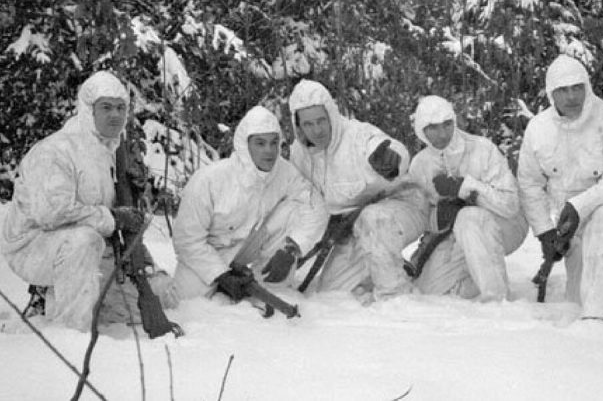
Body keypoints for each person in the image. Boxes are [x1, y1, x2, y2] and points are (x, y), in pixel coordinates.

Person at [0, 71, 172, 332]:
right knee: (84, 241)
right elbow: (51, 214)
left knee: (164, 292)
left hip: (86, 248)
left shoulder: (110, 152)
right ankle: (70, 333)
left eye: (120, 107)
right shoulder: (56, 150)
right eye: (106, 107)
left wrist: (136, 197)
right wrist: (113, 218)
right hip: (32, 246)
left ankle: (55, 299)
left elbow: (116, 214)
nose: (115, 115)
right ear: (87, 110)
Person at [517, 54, 603, 320]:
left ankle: (598, 318)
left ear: (587, 86)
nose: (571, 97)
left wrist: (579, 206)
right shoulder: (538, 129)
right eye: (562, 90)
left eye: (577, 87)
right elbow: (529, 184)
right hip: (568, 221)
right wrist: (545, 231)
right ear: (551, 94)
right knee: (577, 295)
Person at [287, 79, 426, 302]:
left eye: (321, 120)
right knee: (332, 292)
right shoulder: (299, 156)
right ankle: (390, 267)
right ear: (298, 125)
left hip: (404, 206)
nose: (317, 130)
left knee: (373, 219)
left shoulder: (357, 136)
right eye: (308, 124)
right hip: (352, 226)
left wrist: (390, 159)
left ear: (331, 115)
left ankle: (396, 297)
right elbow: (307, 203)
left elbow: (388, 147)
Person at [172, 106, 327, 301]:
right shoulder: (209, 180)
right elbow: (187, 240)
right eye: (260, 143)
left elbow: (316, 205)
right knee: (187, 305)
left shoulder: (284, 172)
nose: (269, 151)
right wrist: (221, 275)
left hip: (248, 246)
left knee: (295, 209)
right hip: (209, 252)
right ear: (245, 144)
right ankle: (221, 285)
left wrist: (291, 248)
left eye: (274, 142)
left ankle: (271, 285)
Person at [407, 96, 528, 301]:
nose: (443, 133)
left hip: (508, 226)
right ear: (421, 130)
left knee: (469, 217)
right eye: (433, 128)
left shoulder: (482, 149)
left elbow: (510, 205)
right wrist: (440, 217)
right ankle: (482, 272)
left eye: (447, 124)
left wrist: (465, 188)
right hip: (455, 233)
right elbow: (419, 216)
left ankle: (497, 300)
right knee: (429, 289)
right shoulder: (420, 165)